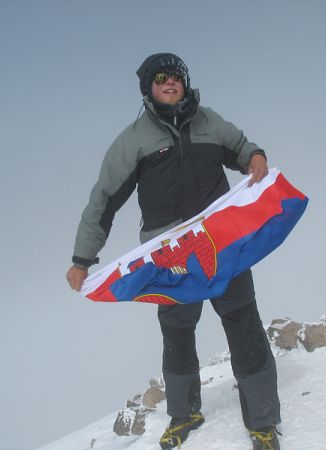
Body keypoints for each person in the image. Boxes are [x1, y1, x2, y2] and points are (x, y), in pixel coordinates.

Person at [66, 53, 281, 450]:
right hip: (172, 259)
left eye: (176, 76)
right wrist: (82, 259)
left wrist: (254, 156)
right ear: (148, 88)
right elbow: (104, 200)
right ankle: (185, 414)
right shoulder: (133, 140)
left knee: (244, 324)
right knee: (178, 335)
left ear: (185, 83)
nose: (170, 82)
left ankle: (263, 421)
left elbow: (240, 146)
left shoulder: (209, 121)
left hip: (221, 248)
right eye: (161, 77)